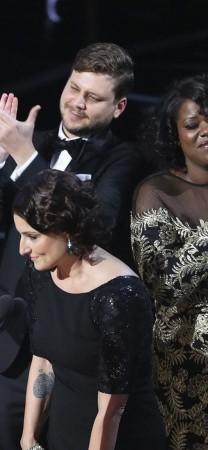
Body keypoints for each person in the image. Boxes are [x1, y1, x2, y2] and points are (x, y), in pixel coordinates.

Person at [0, 42, 150, 450]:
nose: (77, 102)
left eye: (93, 97)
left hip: (78, 351)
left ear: (119, 107)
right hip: (15, 341)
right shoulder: (29, 144)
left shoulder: (122, 161)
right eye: (74, 88)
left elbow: (97, 227)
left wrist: (24, 157)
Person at [15, 169, 165, 450]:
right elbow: (43, 361)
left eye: (32, 236)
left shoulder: (119, 296)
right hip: (62, 435)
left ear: (65, 229)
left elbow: (113, 410)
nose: (23, 248)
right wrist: (29, 439)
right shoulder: (39, 273)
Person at [131, 73, 208, 449]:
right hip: (187, 363)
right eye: (192, 125)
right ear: (175, 135)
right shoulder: (157, 192)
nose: (205, 131)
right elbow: (163, 285)